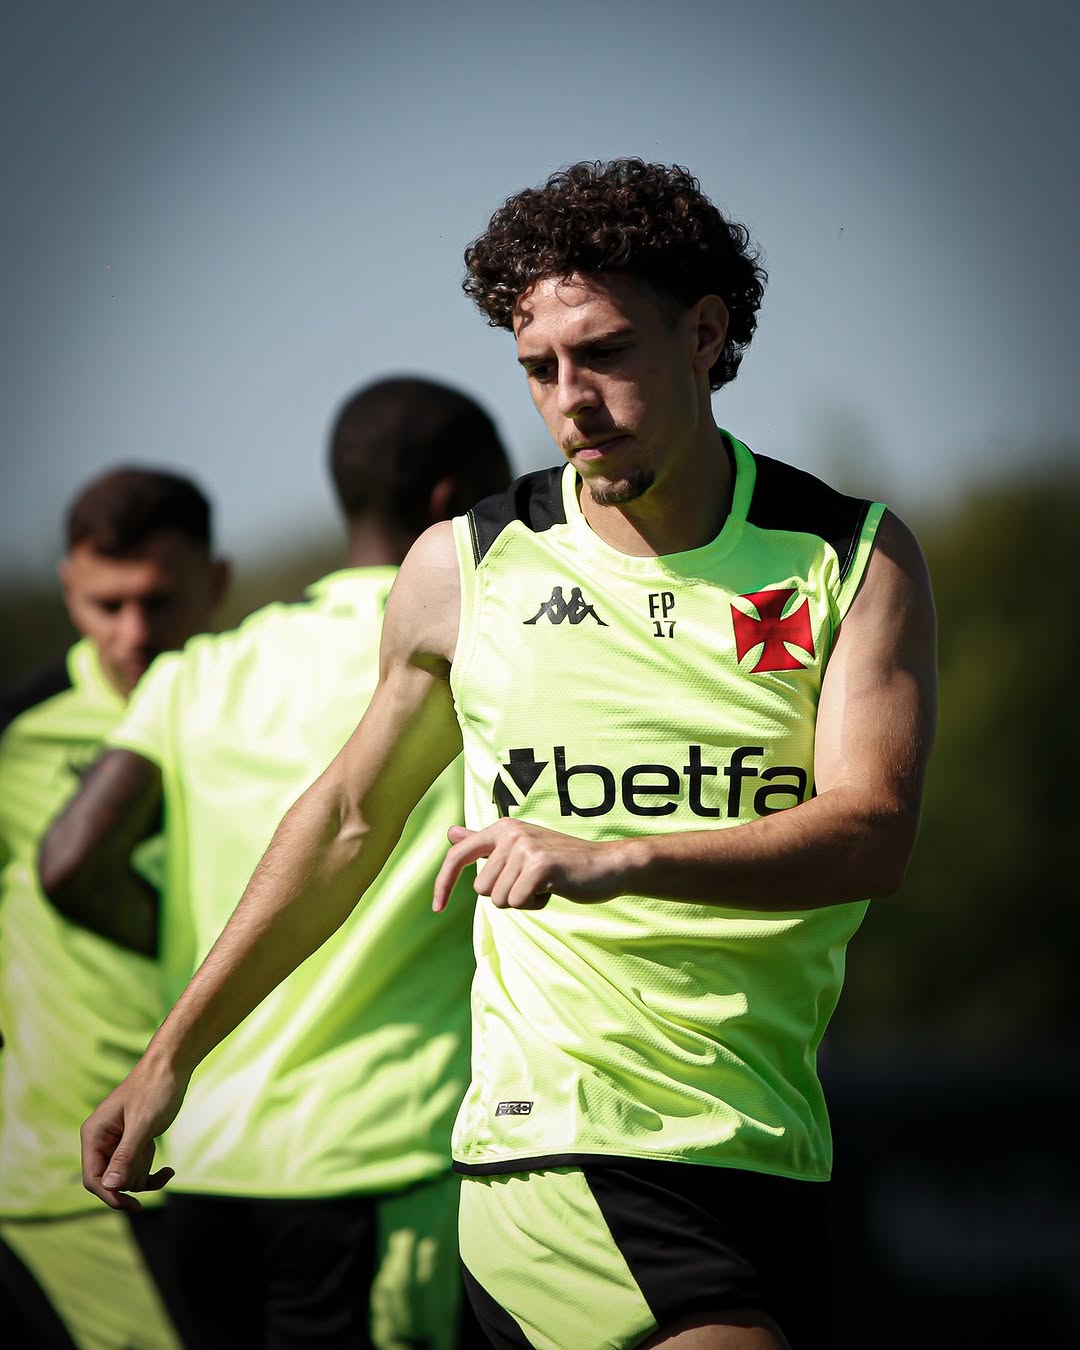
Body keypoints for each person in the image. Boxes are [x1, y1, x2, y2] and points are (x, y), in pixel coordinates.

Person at [74, 160, 938, 1349]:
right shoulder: (465, 566)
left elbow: (873, 834)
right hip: (558, 1148)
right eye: (539, 368)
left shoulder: (849, 556)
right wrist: (169, 1058)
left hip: (768, 1142)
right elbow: (347, 820)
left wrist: (618, 857)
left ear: (704, 334)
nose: (572, 400)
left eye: (607, 353)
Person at [40, 378, 513, 1348]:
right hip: (379, 1153)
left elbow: (70, 862)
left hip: (195, 1151)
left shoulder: (200, 670)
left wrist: (193, 943)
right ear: (449, 503)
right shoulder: (480, 655)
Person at [0, 466, 228, 1348]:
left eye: (159, 602)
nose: (133, 634)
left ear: (215, 582)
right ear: (69, 589)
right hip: (73, 1184)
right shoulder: (17, 737)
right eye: (106, 605)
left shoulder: (265, 706)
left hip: (241, 1155)